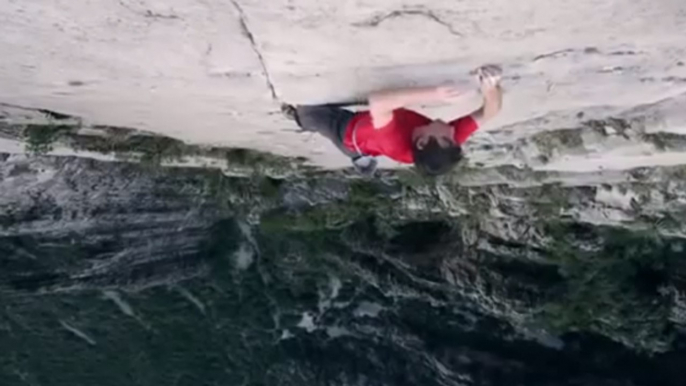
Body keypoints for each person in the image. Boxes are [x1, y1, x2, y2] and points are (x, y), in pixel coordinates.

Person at [282, 65, 503, 176]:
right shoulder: (446, 141)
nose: (453, 132)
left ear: (422, 142)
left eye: (447, 138)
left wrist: (434, 93)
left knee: (308, 113)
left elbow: (378, 102)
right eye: (454, 139)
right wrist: (490, 87)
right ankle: (365, 161)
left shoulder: (393, 140)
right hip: (372, 125)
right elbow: (490, 112)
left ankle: (298, 120)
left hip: (347, 133)